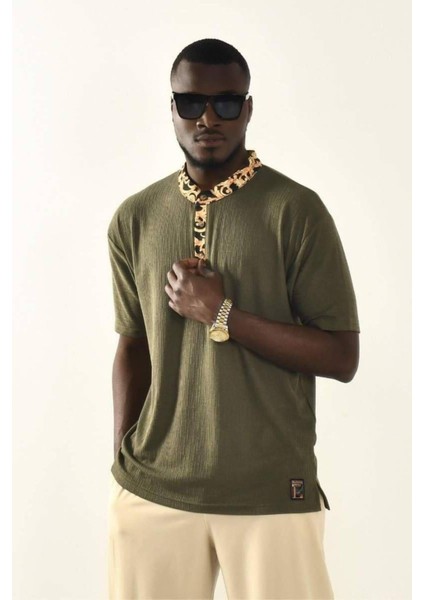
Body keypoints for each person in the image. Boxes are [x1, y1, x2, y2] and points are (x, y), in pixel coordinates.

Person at [107, 38, 360, 600]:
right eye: (190, 102)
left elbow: (342, 357)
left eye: (225, 103)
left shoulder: (295, 211)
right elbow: (133, 345)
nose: (207, 119)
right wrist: (122, 460)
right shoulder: (135, 218)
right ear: (171, 107)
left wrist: (221, 314)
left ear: (247, 109)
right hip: (152, 491)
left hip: (269, 491)